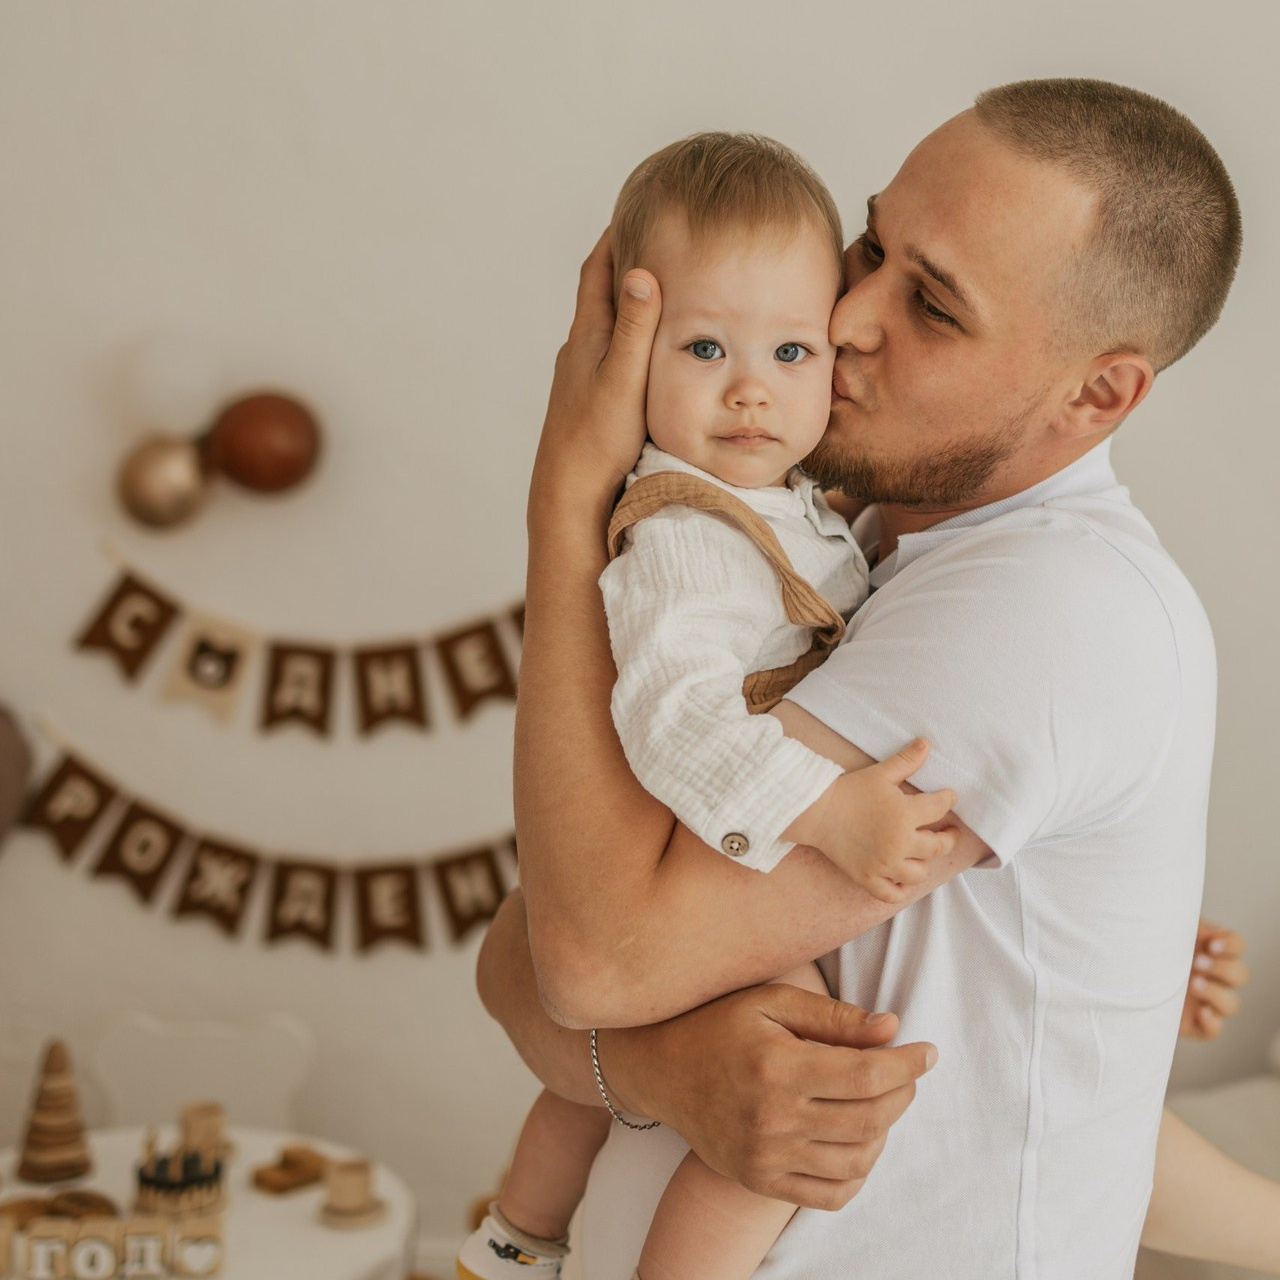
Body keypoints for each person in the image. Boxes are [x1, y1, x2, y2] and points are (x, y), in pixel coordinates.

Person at [481, 78, 1268, 1277]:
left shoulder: (1040, 613)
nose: (843, 315)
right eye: (871, 244)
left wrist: (565, 498)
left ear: (1095, 392)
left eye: (933, 306)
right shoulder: (833, 543)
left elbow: (589, 957)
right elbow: (521, 943)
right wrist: (654, 1064)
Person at [458, 132, 956, 1280]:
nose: (748, 388)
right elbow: (677, 720)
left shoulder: (793, 503)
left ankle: (513, 1236)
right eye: (700, 347)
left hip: (699, 855)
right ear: (624, 357)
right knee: (774, 1125)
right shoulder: (683, 532)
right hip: (700, 842)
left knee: (588, 1088)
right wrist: (824, 809)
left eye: (789, 348)